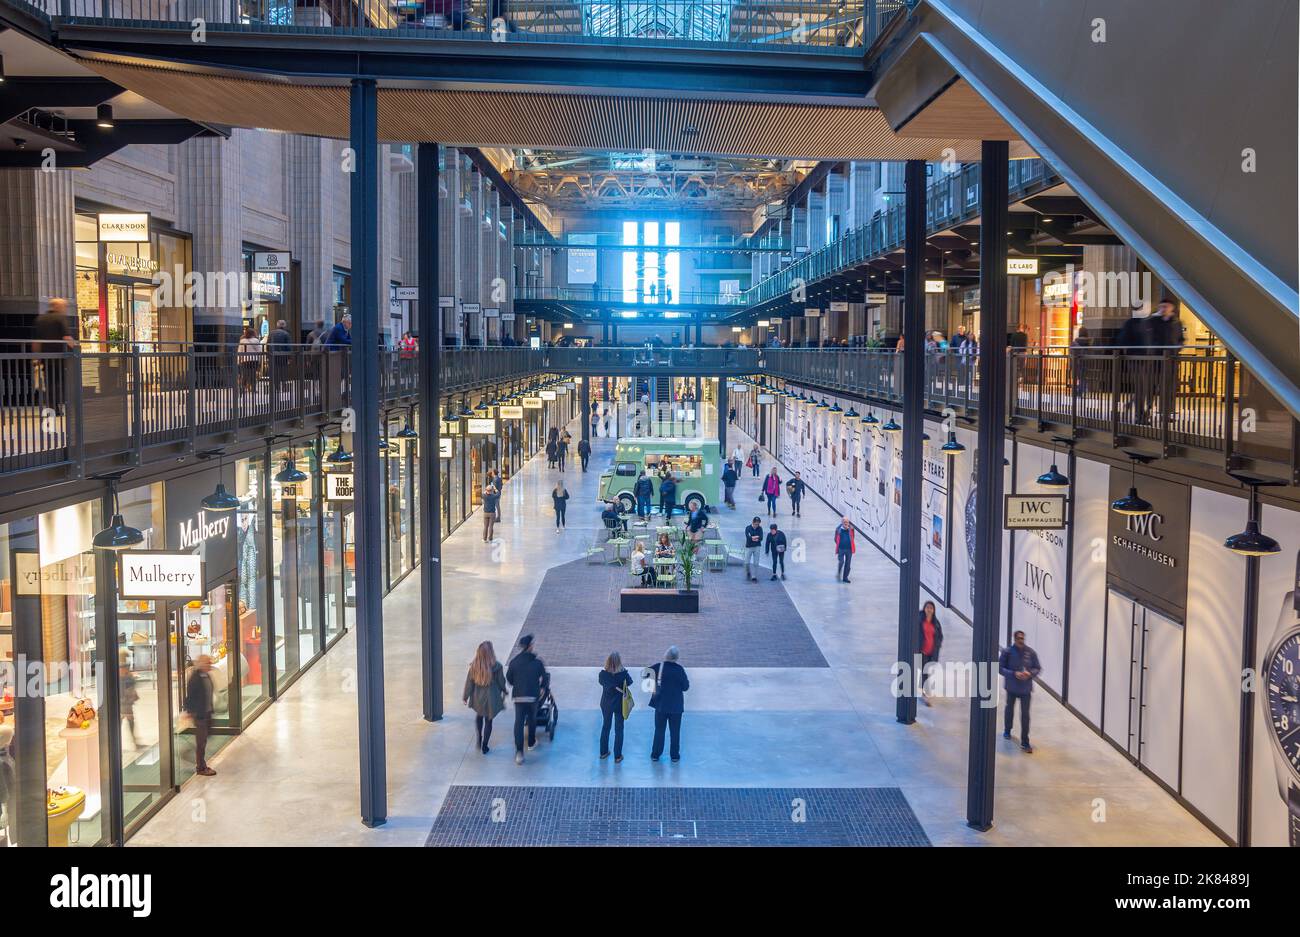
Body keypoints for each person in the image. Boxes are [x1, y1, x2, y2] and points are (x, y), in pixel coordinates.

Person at [506, 634, 548, 765]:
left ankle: (519, 752)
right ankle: (531, 742)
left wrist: (518, 684)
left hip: (518, 696)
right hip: (532, 697)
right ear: (530, 647)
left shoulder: (514, 662)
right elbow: (545, 678)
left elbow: (509, 679)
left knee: (518, 722)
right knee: (532, 719)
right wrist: (541, 687)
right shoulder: (537, 662)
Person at [999, 630, 1041, 752]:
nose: (1021, 641)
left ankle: (1025, 741)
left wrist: (1030, 674)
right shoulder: (1007, 652)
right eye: (1019, 639)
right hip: (1012, 688)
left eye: (1023, 638)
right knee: (1009, 710)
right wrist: (1013, 674)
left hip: (1025, 690)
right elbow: (1000, 668)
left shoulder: (1030, 652)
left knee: (1025, 716)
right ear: (1014, 639)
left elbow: (1037, 668)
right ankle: (1007, 730)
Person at [32, 298, 75, 414]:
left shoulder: (40, 319)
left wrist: (35, 358)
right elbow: (67, 338)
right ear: (57, 307)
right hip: (60, 356)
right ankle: (59, 407)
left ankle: (52, 407)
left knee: (49, 382)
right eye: (64, 307)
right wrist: (75, 349)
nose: (65, 309)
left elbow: (36, 341)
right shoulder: (60, 318)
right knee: (60, 382)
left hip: (46, 357)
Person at [462, 641, 506, 754]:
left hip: (478, 698)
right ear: (491, 652)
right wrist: (504, 690)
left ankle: (479, 739)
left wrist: (465, 696)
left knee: (479, 716)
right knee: (489, 721)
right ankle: (485, 746)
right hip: (491, 698)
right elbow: (501, 682)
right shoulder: (497, 666)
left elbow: (469, 683)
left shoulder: (474, 667)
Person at [648, 646, 689, 762]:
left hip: (661, 706)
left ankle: (655, 755)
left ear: (666, 655)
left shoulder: (659, 667)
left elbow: (645, 673)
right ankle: (674, 756)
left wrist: (653, 684)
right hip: (676, 707)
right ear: (676, 657)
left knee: (659, 730)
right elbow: (686, 687)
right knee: (675, 732)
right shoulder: (680, 669)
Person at [183, 655, 217, 776]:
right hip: (200, 714)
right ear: (202, 664)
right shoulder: (195, 678)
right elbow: (190, 697)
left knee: (204, 739)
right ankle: (201, 767)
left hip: (206, 712)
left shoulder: (206, 676)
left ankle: (197, 759)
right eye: (207, 663)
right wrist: (190, 712)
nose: (210, 665)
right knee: (201, 742)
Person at [598, 652, 632, 762]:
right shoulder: (623, 674)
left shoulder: (603, 675)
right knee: (619, 730)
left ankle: (603, 753)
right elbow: (630, 682)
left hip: (606, 704)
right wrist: (623, 670)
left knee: (606, 727)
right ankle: (617, 756)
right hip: (619, 705)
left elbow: (601, 682)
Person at [918, 601, 944, 706]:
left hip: (932, 652)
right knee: (925, 673)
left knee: (927, 672)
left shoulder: (935, 622)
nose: (929, 610)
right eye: (927, 607)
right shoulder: (919, 620)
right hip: (922, 652)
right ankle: (925, 694)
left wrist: (937, 645)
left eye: (931, 608)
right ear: (924, 609)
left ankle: (924, 690)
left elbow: (940, 636)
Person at [237, 325, 261, 392]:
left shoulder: (242, 341)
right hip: (254, 360)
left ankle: (242, 388)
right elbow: (259, 351)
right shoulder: (256, 340)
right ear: (253, 333)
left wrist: (239, 360)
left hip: (245, 360)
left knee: (245, 374)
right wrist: (259, 361)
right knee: (253, 374)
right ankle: (253, 388)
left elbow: (239, 351)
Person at [743, 516, 764, 582]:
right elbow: (748, 537)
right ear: (753, 522)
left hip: (757, 546)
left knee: (756, 563)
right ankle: (748, 571)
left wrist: (753, 537)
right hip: (749, 547)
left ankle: (754, 576)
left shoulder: (760, 528)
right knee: (746, 562)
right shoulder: (748, 528)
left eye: (758, 524)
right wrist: (754, 538)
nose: (756, 525)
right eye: (755, 524)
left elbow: (761, 538)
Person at [834, 516, 854, 583]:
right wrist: (840, 545)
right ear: (842, 522)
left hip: (849, 550)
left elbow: (852, 538)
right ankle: (839, 572)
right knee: (841, 562)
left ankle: (845, 578)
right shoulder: (838, 529)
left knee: (848, 564)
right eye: (844, 522)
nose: (846, 523)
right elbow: (835, 539)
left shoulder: (851, 529)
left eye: (847, 522)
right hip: (841, 549)